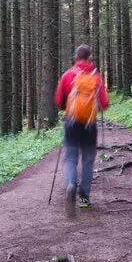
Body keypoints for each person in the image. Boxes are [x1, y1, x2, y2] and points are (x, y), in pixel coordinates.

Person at [54, 44, 109, 216]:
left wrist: (68, 107)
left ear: (75, 57)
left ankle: (71, 183)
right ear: (90, 58)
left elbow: (58, 100)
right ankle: (84, 197)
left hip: (71, 121)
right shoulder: (96, 77)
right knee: (87, 160)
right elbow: (104, 102)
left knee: (70, 157)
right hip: (89, 125)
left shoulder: (68, 75)